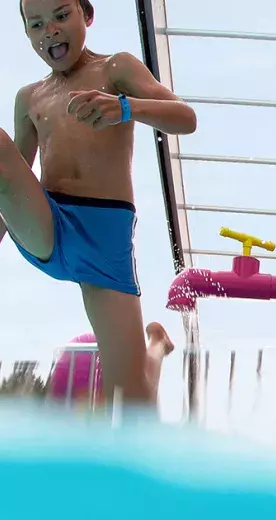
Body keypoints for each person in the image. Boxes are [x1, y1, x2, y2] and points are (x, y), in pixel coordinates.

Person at [0, 0, 196, 407]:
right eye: (36, 24)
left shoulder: (115, 69)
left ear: (86, 15)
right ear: (27, 34)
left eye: (60, 15)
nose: (49, 30)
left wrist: (125, 108)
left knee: (132, 405)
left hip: (104, 238)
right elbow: (11, 178)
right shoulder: (29, 98)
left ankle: (156, 345)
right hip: (48, 223)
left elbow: (185, 118)